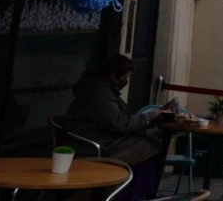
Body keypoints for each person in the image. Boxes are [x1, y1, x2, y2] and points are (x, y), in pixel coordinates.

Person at [63, 54, 167, 200]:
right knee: (147, 144)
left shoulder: (102, 90)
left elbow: (117, 121)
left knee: (148, 139)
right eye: (125, 77)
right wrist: (152, 115)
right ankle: (130, 193)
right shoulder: (100, 93)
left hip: (99, 137)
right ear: (113, 75)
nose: (126, 81)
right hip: (92, 144)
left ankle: (136, 191)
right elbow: (120, 123)